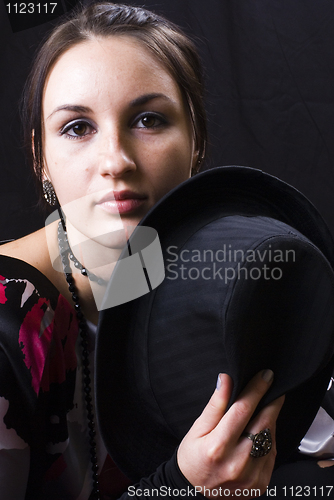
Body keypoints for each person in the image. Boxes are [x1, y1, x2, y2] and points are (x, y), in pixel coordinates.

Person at [0, 3, 284, 499]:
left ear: (196, 141)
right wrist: (181, 488)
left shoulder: (207, 269)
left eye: (148, 119)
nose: (116, 160)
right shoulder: (9, 331)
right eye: (77, 127)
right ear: (40, 159)